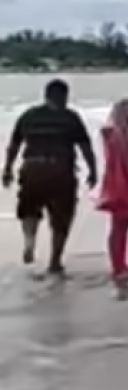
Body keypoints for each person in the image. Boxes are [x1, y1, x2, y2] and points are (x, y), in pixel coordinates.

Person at [2, 79, 97, 274]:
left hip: (32, 169)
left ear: (46, 95)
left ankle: (30, 241)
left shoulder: (28, 115)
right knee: (61, 218)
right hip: (60, 171)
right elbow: (85, 146)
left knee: (28, 209)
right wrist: (93, 170)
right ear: (64, 96)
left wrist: (7, 169)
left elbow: (14, 144)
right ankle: (55, 261)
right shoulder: (70, 117)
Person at [97, 98, 128, 282]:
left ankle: (121, 263)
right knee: (118, 227)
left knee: (124, 227)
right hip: (120, 184)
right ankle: (117, 267)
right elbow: (119, 162)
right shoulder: (115, 133)